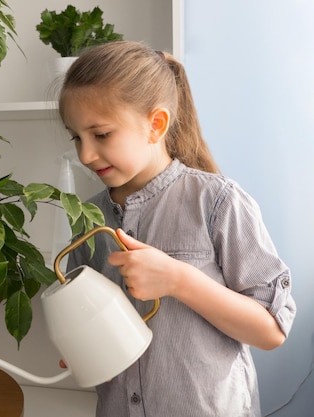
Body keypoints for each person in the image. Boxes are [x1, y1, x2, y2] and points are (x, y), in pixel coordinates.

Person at [59, 41, 296, 417]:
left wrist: (178, 280)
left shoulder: (218, 202)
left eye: (101, 134)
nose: (85, 155)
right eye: (76, 137)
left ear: (156, 125)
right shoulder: (88, 217)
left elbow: (271, 332)